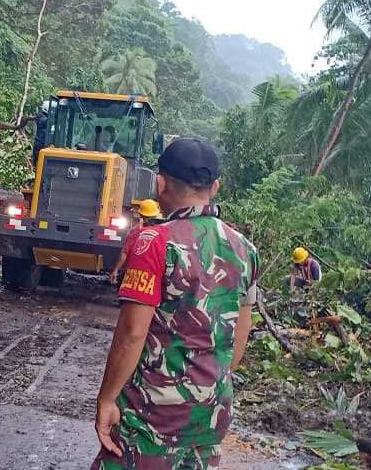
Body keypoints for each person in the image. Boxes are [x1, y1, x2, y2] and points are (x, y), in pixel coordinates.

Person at [93, 139, 259, 470]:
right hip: (212, 413)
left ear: (160, 182)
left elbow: (132, 333)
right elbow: (238, 342)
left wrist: (107, 399)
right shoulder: (245, 249)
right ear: (215, 187)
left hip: (153, 415)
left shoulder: (154, 242)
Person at [108, 199, 164, 285]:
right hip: (151, 278)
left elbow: (124, 253)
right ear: (156, 214)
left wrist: (116, 270)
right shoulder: (162, 232)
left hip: (133, 275)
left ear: (141, 215)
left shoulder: (135, 232)